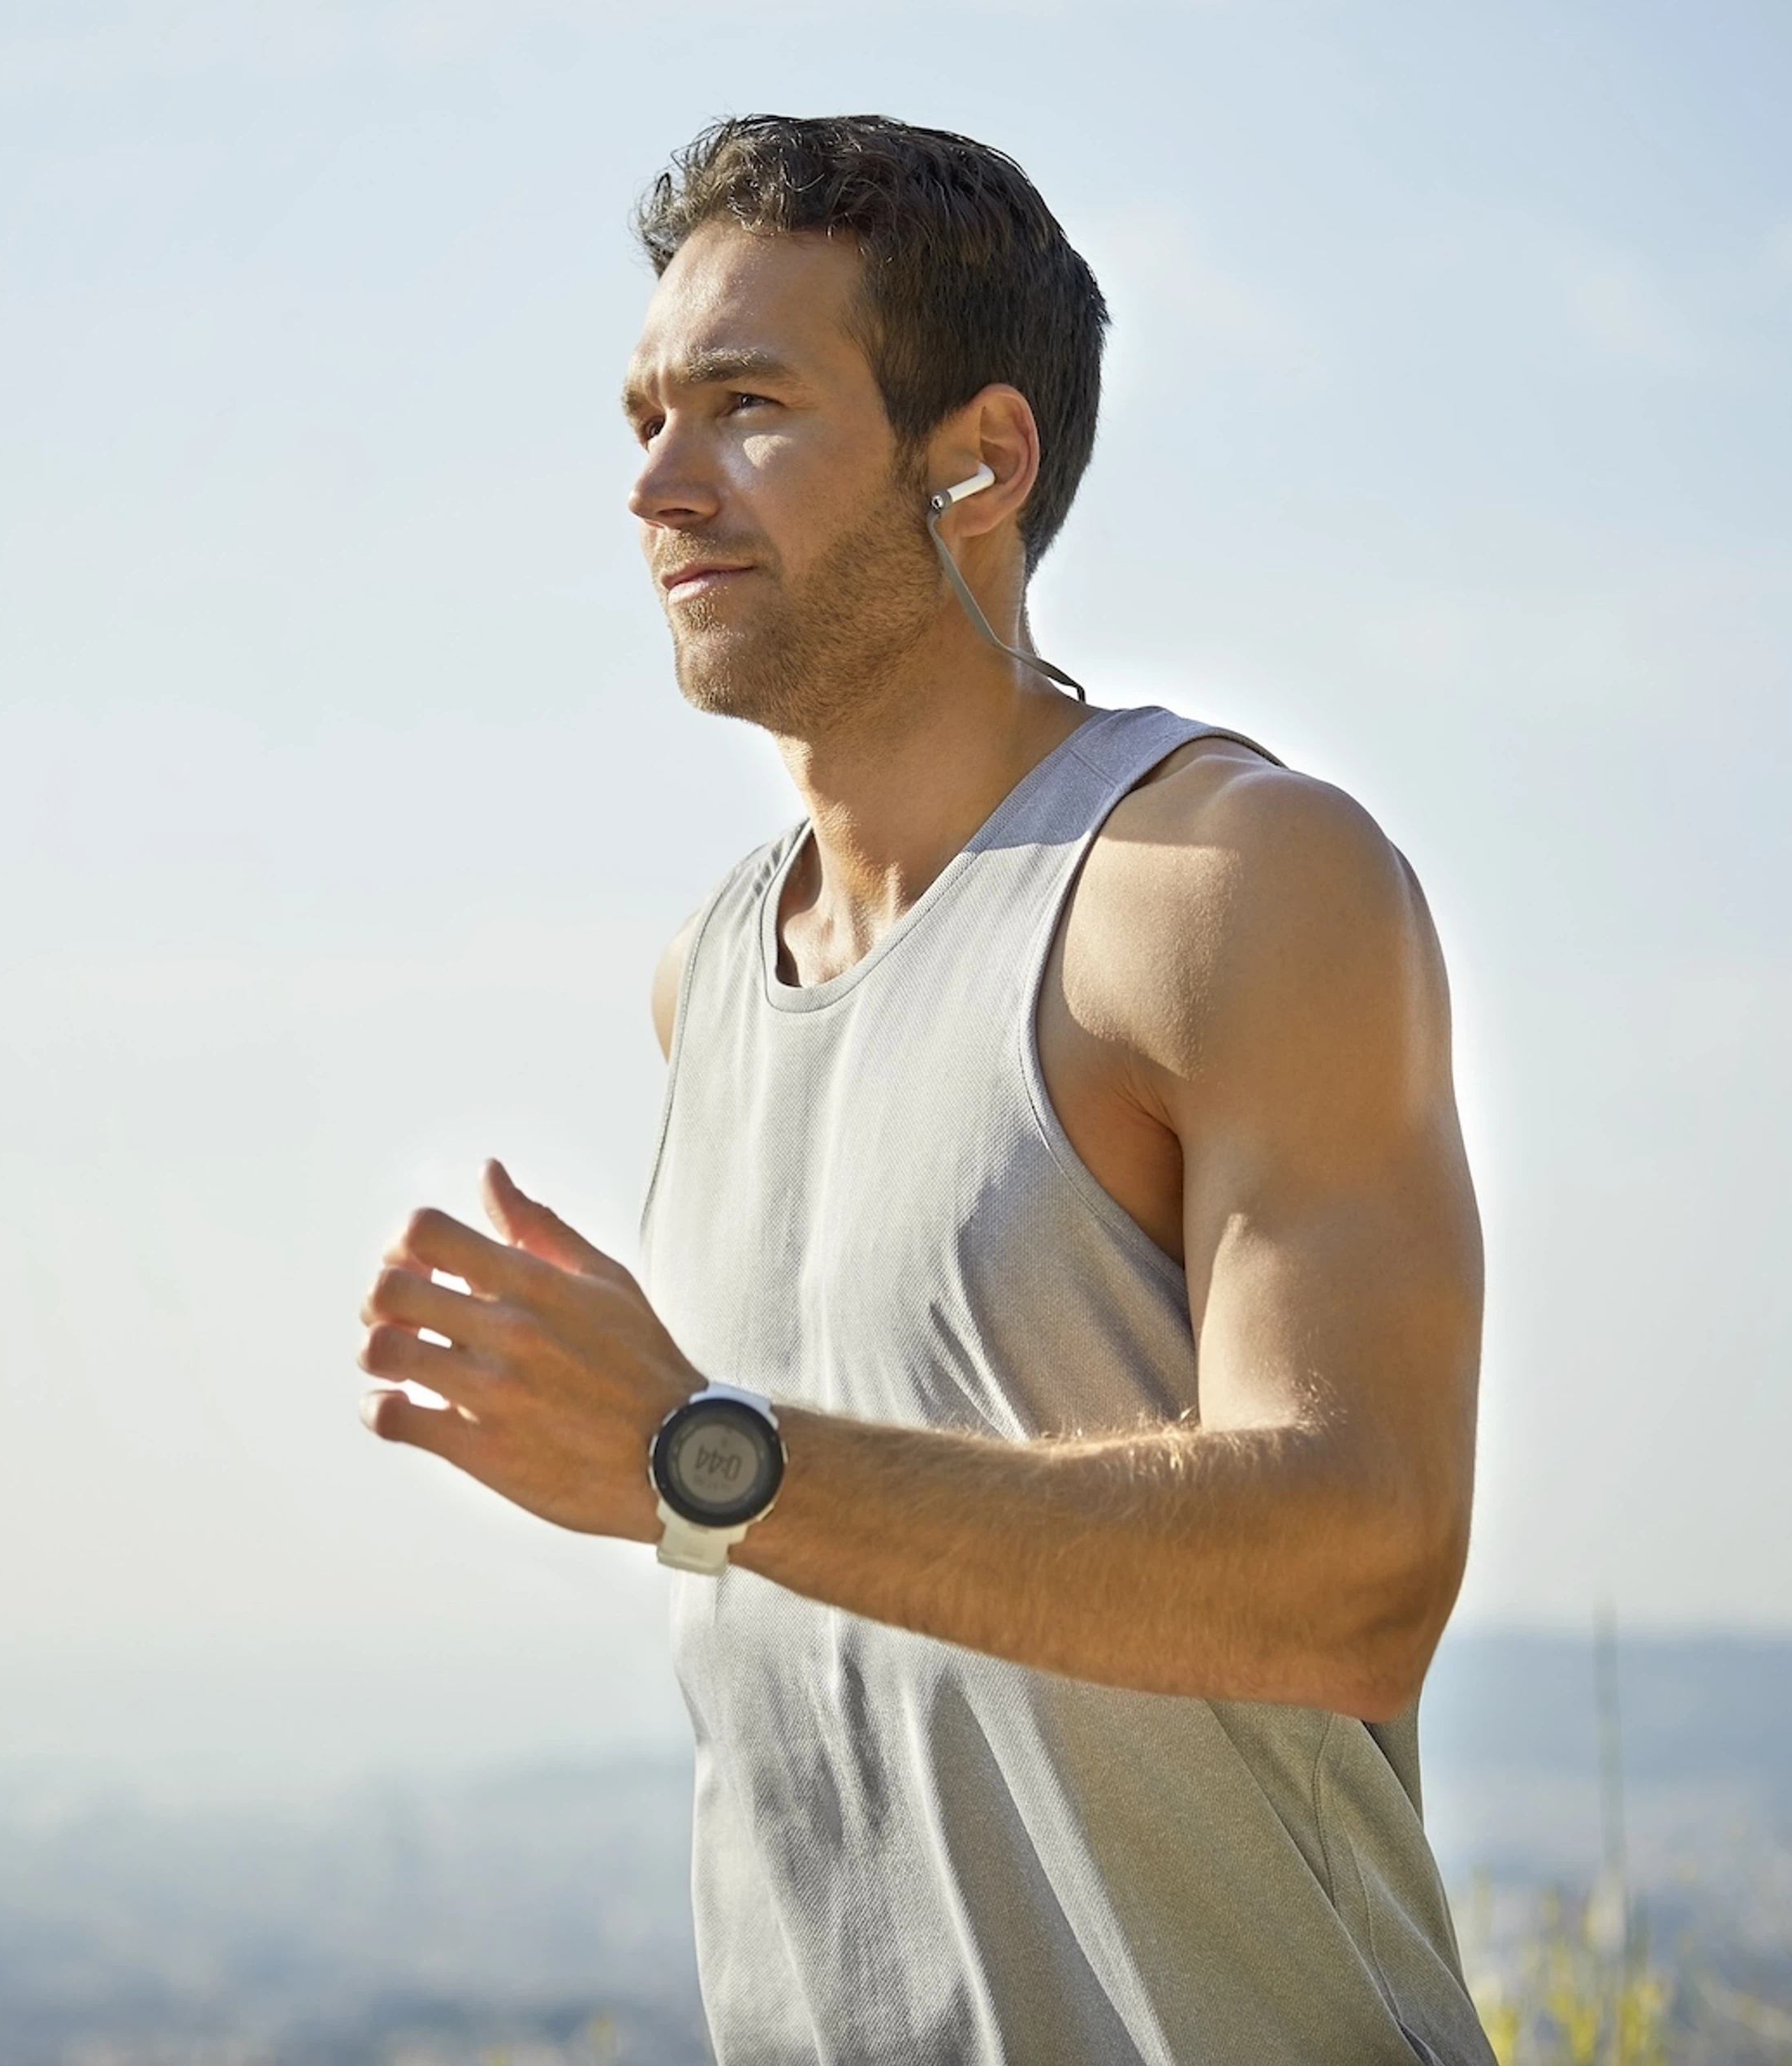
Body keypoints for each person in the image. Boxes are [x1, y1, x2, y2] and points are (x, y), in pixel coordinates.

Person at [354, 114, 1495, 2065]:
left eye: (745, 406)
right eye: (644, 413)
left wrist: (706, 1461)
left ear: (977, 458)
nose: (656, 480)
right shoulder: (702, 983)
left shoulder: (1225, 884)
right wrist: (685, 1461)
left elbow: (1360, 1568)